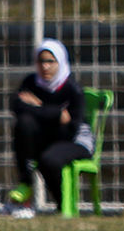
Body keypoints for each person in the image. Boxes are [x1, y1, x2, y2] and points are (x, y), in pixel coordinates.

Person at [5, 38, 93, 216]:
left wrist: (37, 108)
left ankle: (64, 206)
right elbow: (17, 105)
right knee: (24, 124)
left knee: (50, 159)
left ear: (60, 62)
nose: (45, 67)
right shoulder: (31, 82)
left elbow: (72, 127)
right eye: (41, 61)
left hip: (74, 141)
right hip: (48, 137)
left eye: (50, 61)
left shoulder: (72, 89)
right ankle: (25, 184)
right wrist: (55, 114)